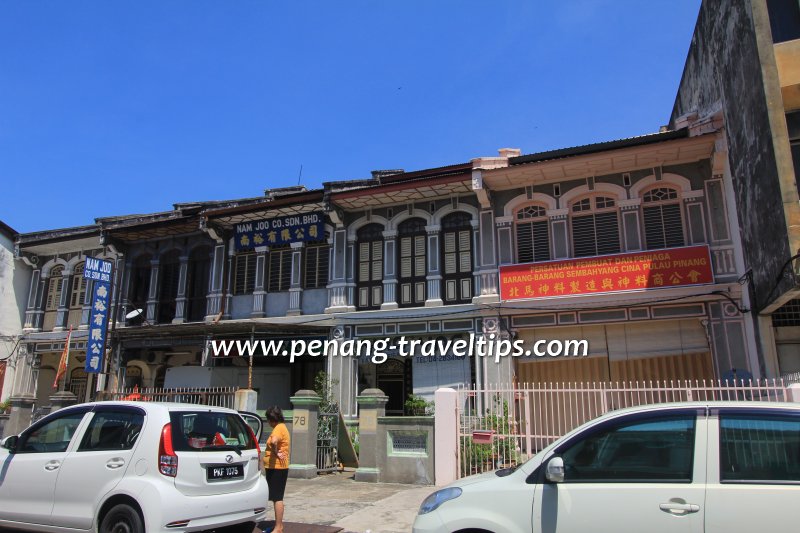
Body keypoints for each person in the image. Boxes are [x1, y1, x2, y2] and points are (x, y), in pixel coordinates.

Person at [262, 406, 290, 533]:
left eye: (268, 420)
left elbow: (274, 441)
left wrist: (276, 452)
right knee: (275, 497)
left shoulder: (278, 428)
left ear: (272, 419)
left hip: (277, 468)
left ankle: (278, 527)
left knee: (277, 497)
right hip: (276, 467)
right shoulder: (281, 427)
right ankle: (278, 526)